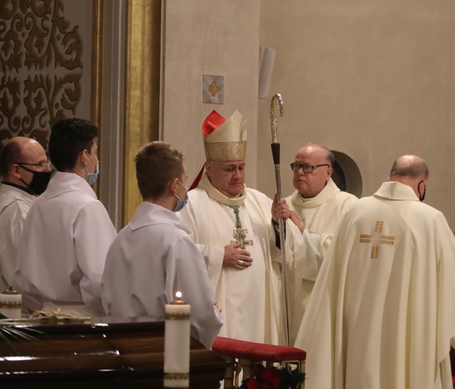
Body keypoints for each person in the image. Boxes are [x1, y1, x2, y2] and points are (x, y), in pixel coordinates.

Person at [295, 155, 455, 389]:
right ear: (422, 186)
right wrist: (448, 330)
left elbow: (330, 277)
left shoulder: (355, 211)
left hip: (356, 335)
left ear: (390, 176)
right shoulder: (430, 219)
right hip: (409, 335)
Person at [102, 141, 223, 348]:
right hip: (164, 354)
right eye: (184, 181)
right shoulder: (176, 241)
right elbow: (200, 314)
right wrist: (213, 314)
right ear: (174, 186)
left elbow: (106, 300)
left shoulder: (120, 239)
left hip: (123, 350)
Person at [178, 110, 282, 343]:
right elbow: (177, 254)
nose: (237, 176)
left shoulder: (260, 201)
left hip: (258, 310)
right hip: (220, 309)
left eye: (241, 167)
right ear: (209, 169)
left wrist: (277, 225)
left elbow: (281, 254)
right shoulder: (191, 203)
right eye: (229, 169)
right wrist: (217, 255)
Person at [15, 118, 116, 317]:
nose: (97, 161)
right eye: (95, 153)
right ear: (84, 157)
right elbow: (99, 280)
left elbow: (21, 277)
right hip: (83, 320)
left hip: (43, 316)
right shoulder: (88, 207)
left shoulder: (38, 205)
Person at [271, 143, 357, 342]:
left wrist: (303, 234)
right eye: (297, 166)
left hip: (323, 303)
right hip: (287, 302)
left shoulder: (348, 206)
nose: (300, 172)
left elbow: (344, 255)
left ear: (328, 173)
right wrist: (276, 225)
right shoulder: (285, 205)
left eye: (308, 167)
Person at [0, 137, 51, 300]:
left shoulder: (17, 200)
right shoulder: (17, 209)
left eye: (47, 162)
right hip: (20, 315)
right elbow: (22, 276)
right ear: (16, 170)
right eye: (40, 164)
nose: (47, 169)